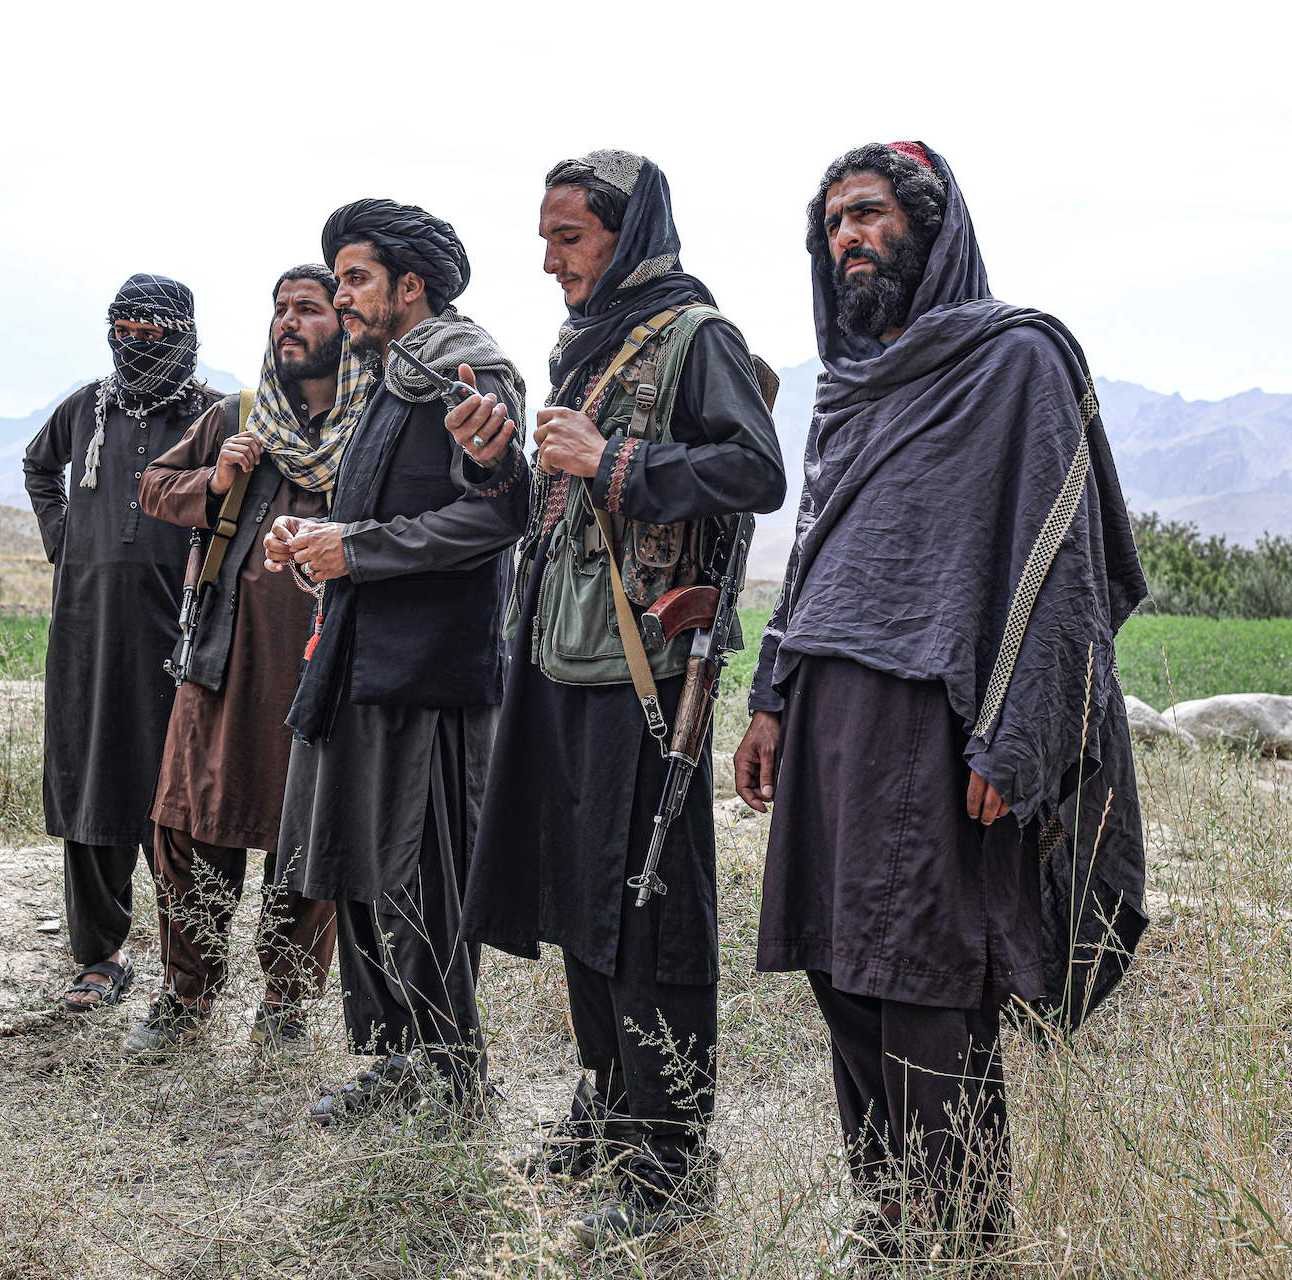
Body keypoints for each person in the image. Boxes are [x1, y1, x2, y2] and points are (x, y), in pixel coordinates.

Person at [732, 141, 1150, 1263]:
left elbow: (1061, 559)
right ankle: (887, 1224)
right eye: (832, 226)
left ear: (928, 224)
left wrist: (1018, 736)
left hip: (935, 723)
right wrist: (771, 693)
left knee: (924, 982)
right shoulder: (850, 380)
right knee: (837, 969)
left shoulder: (1017, 360)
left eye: (867, 215)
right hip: (826, 715)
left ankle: (962, 1241)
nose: (847, 240)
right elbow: (814, 548)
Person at [456, 149, 786, 1249]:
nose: (549, 261)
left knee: (648, 909)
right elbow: (554, 504)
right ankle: (605, 1105)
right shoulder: (583, 345)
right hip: (555, 658)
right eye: (545, 239)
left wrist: (619, 459)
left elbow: (756, 470)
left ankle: (671, 1156)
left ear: (627, 232)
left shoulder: (698, 337)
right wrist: (497, 462)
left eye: (570, 238)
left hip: (645, 674)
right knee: (574, 897)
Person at [267, 199, 526, 1128]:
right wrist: (314, 540)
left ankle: (452, 1073)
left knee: (421, 872)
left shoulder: (470, 367)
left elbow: (499, 515)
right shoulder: (386, 375)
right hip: (360, 654)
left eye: (356, 281)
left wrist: (359, 549)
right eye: (337, 282)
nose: (340, 299)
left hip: (431, 666)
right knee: (356, 863)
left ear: (410, 285)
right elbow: (372, 511)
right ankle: (390, 1059)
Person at [120, 264, 371, 1058]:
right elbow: (154, 488)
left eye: (308, 309)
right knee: (190, 823)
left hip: (323, 671)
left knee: (307, 841)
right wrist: (218, 475)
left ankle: (286, 1010)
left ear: (345, 323)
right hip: (223, 662)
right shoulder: (240, 416)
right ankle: (185, 1000)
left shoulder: (373, 425)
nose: (288, 322)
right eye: (279, 310)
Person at [23, 274, 222, 1015]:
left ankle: (186, 971)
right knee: (90, 781)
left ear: (184, 335)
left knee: (178, 797)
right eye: (125, 329)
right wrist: (64, 536)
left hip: (180, 628)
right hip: (86, 626)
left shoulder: (211, 414)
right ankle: (100, 957)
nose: (136, 344)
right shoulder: (86, 408)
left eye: (154, 333)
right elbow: (39, 469)